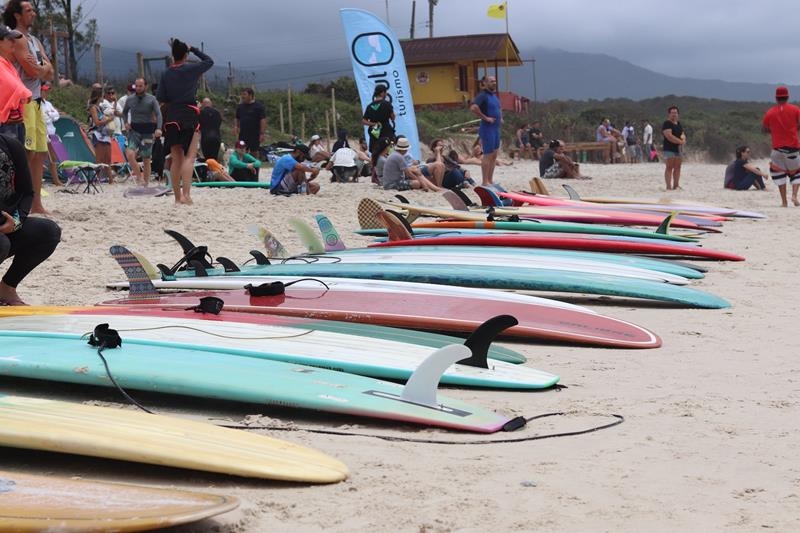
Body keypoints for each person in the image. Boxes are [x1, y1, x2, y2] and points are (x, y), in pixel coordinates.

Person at [4, 0, 53, 214]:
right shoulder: (16, 37)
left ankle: (36, 203)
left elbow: (49, 71)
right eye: (28, 10)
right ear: (16, 15)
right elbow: (35, 71)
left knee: (40, 152)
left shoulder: (33, 39)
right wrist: (43, 67)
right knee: (26, 152)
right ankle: (21, 202)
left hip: (36, 100)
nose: (33, 13)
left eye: (33, 9)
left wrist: (42, 67)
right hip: (22, 101)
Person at [0, 133, 61, 305]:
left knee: (49, 232)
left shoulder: (10, 146)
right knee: (1, 243)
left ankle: (6, 289)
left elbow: (26, 192)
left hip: (4, 225)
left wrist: (16, 222)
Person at [156, 38, 213, 205]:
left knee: (176, 158)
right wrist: (194, 48)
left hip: (172, 116)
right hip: (189, 114)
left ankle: (177, 197)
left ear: (173, 55)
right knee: (190, 157)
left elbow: (161, 98)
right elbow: (209, 61)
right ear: (185, 55)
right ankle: (186, 195)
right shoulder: (191, 69)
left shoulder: (166, 73)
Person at [762, 86, 800, 207]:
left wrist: (774, 130)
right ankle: (794, 195)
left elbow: (764, 129)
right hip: (793, 148)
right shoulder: (796, 110)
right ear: (787, 97)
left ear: (776, 98)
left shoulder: (770, 112)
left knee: (779, 175)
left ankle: (784, 202)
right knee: (797, 172)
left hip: (777, 149)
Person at [121, 78, 162, 187]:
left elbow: (158, 114)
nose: (138, 88)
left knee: (146, 159)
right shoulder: (130, 99)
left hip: (148, 131)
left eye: (140, 86)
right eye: (136, 86)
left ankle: (146, 184)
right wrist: (125, 122)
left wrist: (159, 128)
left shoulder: (152, 99)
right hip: (134, 131)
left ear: (145, 86)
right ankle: (139, 177)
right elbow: (124, 112)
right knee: (129, 154)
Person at [469, 75, 502, 186]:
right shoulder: (483, 95)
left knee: (494, 155)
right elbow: (473, 107)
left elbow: (497, 109)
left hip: (496, 128)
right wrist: (485, 117)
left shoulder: (494, 96)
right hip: (487, 129)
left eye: (495, 81)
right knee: (487, 155)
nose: (494, 83)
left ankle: (490, 180)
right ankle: (484, 182)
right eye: (491, 81)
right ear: (485, 83)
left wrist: (500, 118)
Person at [0, 24, 29, 143]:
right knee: (9, 159)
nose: (14, 42)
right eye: (10, 39)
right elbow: (13, 86)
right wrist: (25, 93)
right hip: (5, 124)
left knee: (16, 158)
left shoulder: (7, 64)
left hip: (13, 122)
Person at [87, 85, 114, 184]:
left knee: (107, 158)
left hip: (105, 134)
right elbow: (97, 123)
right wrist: (108, 120)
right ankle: (97, 179)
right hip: (98, 134)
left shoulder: (100, 108)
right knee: (100, 159)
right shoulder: (93, 108)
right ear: (98, 96)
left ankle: (110, 180)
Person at [362, 84, 396, 155]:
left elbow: (364, 121)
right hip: (386, 130)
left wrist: (373, 124)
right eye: (385, 92)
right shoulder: (387, 104)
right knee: (391, 148)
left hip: (375, 131)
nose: (386, 94)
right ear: (382, 93)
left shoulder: (370, 106)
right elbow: (392, 117)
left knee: (375, 151)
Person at [39, 82, 62, 186]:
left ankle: (55, 179)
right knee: (41, 157)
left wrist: (50, 115)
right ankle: (39, 180)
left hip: (51, 132)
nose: (46, 92)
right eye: (45, 90)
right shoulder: (37, 103)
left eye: (47, 90)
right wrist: (51, 115)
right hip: (43, 133)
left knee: (53, 157)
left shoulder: (47, 103)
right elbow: (43, 118)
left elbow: (57, 115)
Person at [234, 87, 265, 157]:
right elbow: (236, 118)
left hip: (254, 134)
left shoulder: (259, 107)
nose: (242, 96)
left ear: (250, 96)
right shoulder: (240, 107)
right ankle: (243, 166)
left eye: (244, 94)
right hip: (243, 134)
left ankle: (255, 166)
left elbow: (263, 120)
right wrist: (236, 126)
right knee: (241, 150)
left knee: (254, 151)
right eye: (242, 94)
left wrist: (262, 133)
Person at [662, 105, 686, 190]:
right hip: (669, 148)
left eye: (675, 113)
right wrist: (680, 141)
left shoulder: (678, 123)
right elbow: (669, 136)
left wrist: (683, 138)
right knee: (669, 167)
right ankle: (668, 186)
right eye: (672, 113)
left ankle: (676, 185)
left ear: (678, 114)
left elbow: (682, 133)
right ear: (669, 114)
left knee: (678, 167)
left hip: (678, 149)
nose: (674, 114)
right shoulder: (667, 123)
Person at [198, 97, 222, 161]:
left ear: (203, 104)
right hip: (216, 138)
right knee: (214, 159)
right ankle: (214, 170)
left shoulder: (200, 112)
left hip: (206, 138)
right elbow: (219, 123)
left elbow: (197, 126)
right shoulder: (217, 112)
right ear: (210, 104)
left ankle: (207, 170)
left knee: (207, 159)